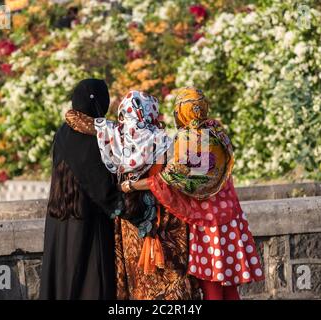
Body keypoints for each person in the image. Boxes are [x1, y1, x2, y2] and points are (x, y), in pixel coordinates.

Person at [120, 87, 264, 300]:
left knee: (212, 282)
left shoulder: (190, 139)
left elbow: (170, 180)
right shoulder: (217, 133)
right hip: (230, 218)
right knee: (229, 284)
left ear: (183, 111)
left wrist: (131, 186)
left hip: (207, 224)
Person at [65, 90, 201, 300]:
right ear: (150, 112)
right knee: (171, 281)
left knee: (138, 281)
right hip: (166, 219)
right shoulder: (165, 140)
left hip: (132, 221)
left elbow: (74, 119)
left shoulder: (115, 136)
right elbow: (182, 181)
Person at [40, 79, 133, 300]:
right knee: (91, 284)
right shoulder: (92, 139)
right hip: (87, 222)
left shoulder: (63, 131)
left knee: (62, 283)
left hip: (59, 219)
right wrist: (135, 211)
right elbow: (103, 190)